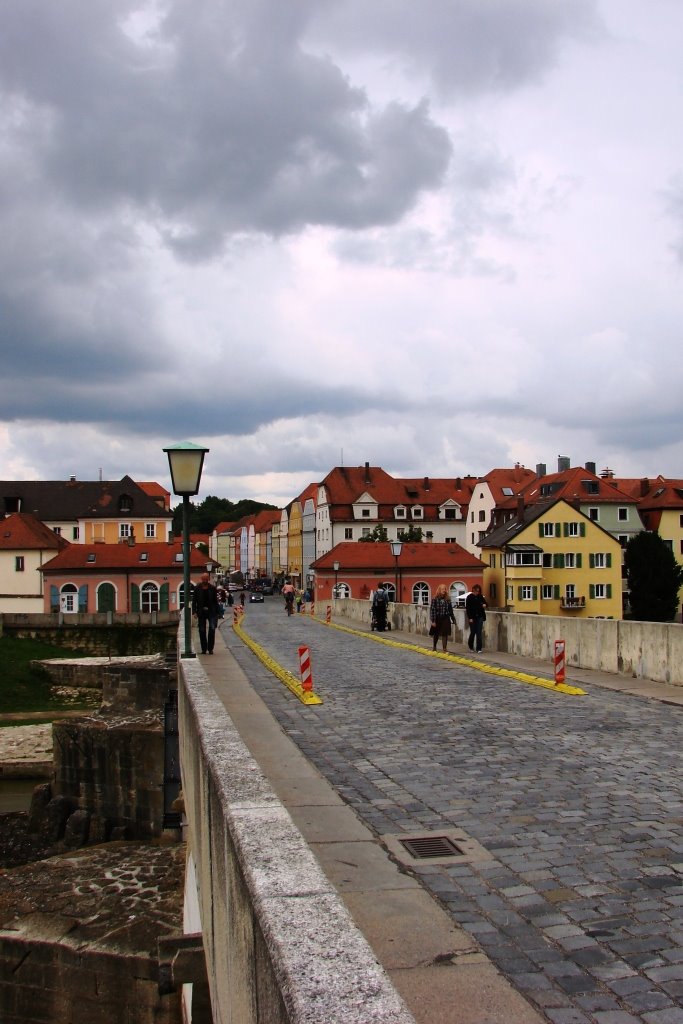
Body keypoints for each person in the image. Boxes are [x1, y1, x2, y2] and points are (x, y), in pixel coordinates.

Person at [192, 572, 220, 655]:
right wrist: (194, 612)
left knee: (212, 629)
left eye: (206, 579)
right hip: (201, 612)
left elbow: (215, 601)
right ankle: (204, 649)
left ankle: (210, 648)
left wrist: (218, 613)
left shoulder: (212, 588)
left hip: (211, 611)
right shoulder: (197, 588)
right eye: (203, 579)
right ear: (201, 579)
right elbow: (194, 601)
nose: (205, 580)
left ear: (208, 579)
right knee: (202, 630)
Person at [429, 584, 456, 652]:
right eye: (442, 589)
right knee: (436, 633)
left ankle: (444, 648)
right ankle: (434, 646)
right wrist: (433, 621)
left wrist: (453, 619)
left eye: (444, 589)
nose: (444, 590)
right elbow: (432, 610)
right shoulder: (435, 598)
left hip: (445, 617)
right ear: (439, 590)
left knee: (445, 633)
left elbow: (450, 610)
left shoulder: (448, 599)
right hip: (438, 618)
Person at [465, 584, 488, 654]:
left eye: (478, 591)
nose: (477, 593)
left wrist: (485, 605)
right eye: (476, 591)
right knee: (473, 632)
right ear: (473, 590)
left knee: (479, 633)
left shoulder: (480, 597)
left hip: (480, 617)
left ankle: (479, 648)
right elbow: (468, 609)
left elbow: (486, 604)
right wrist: (470, 618)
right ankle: (471, 646)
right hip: (472, 617)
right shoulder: (469, 597)